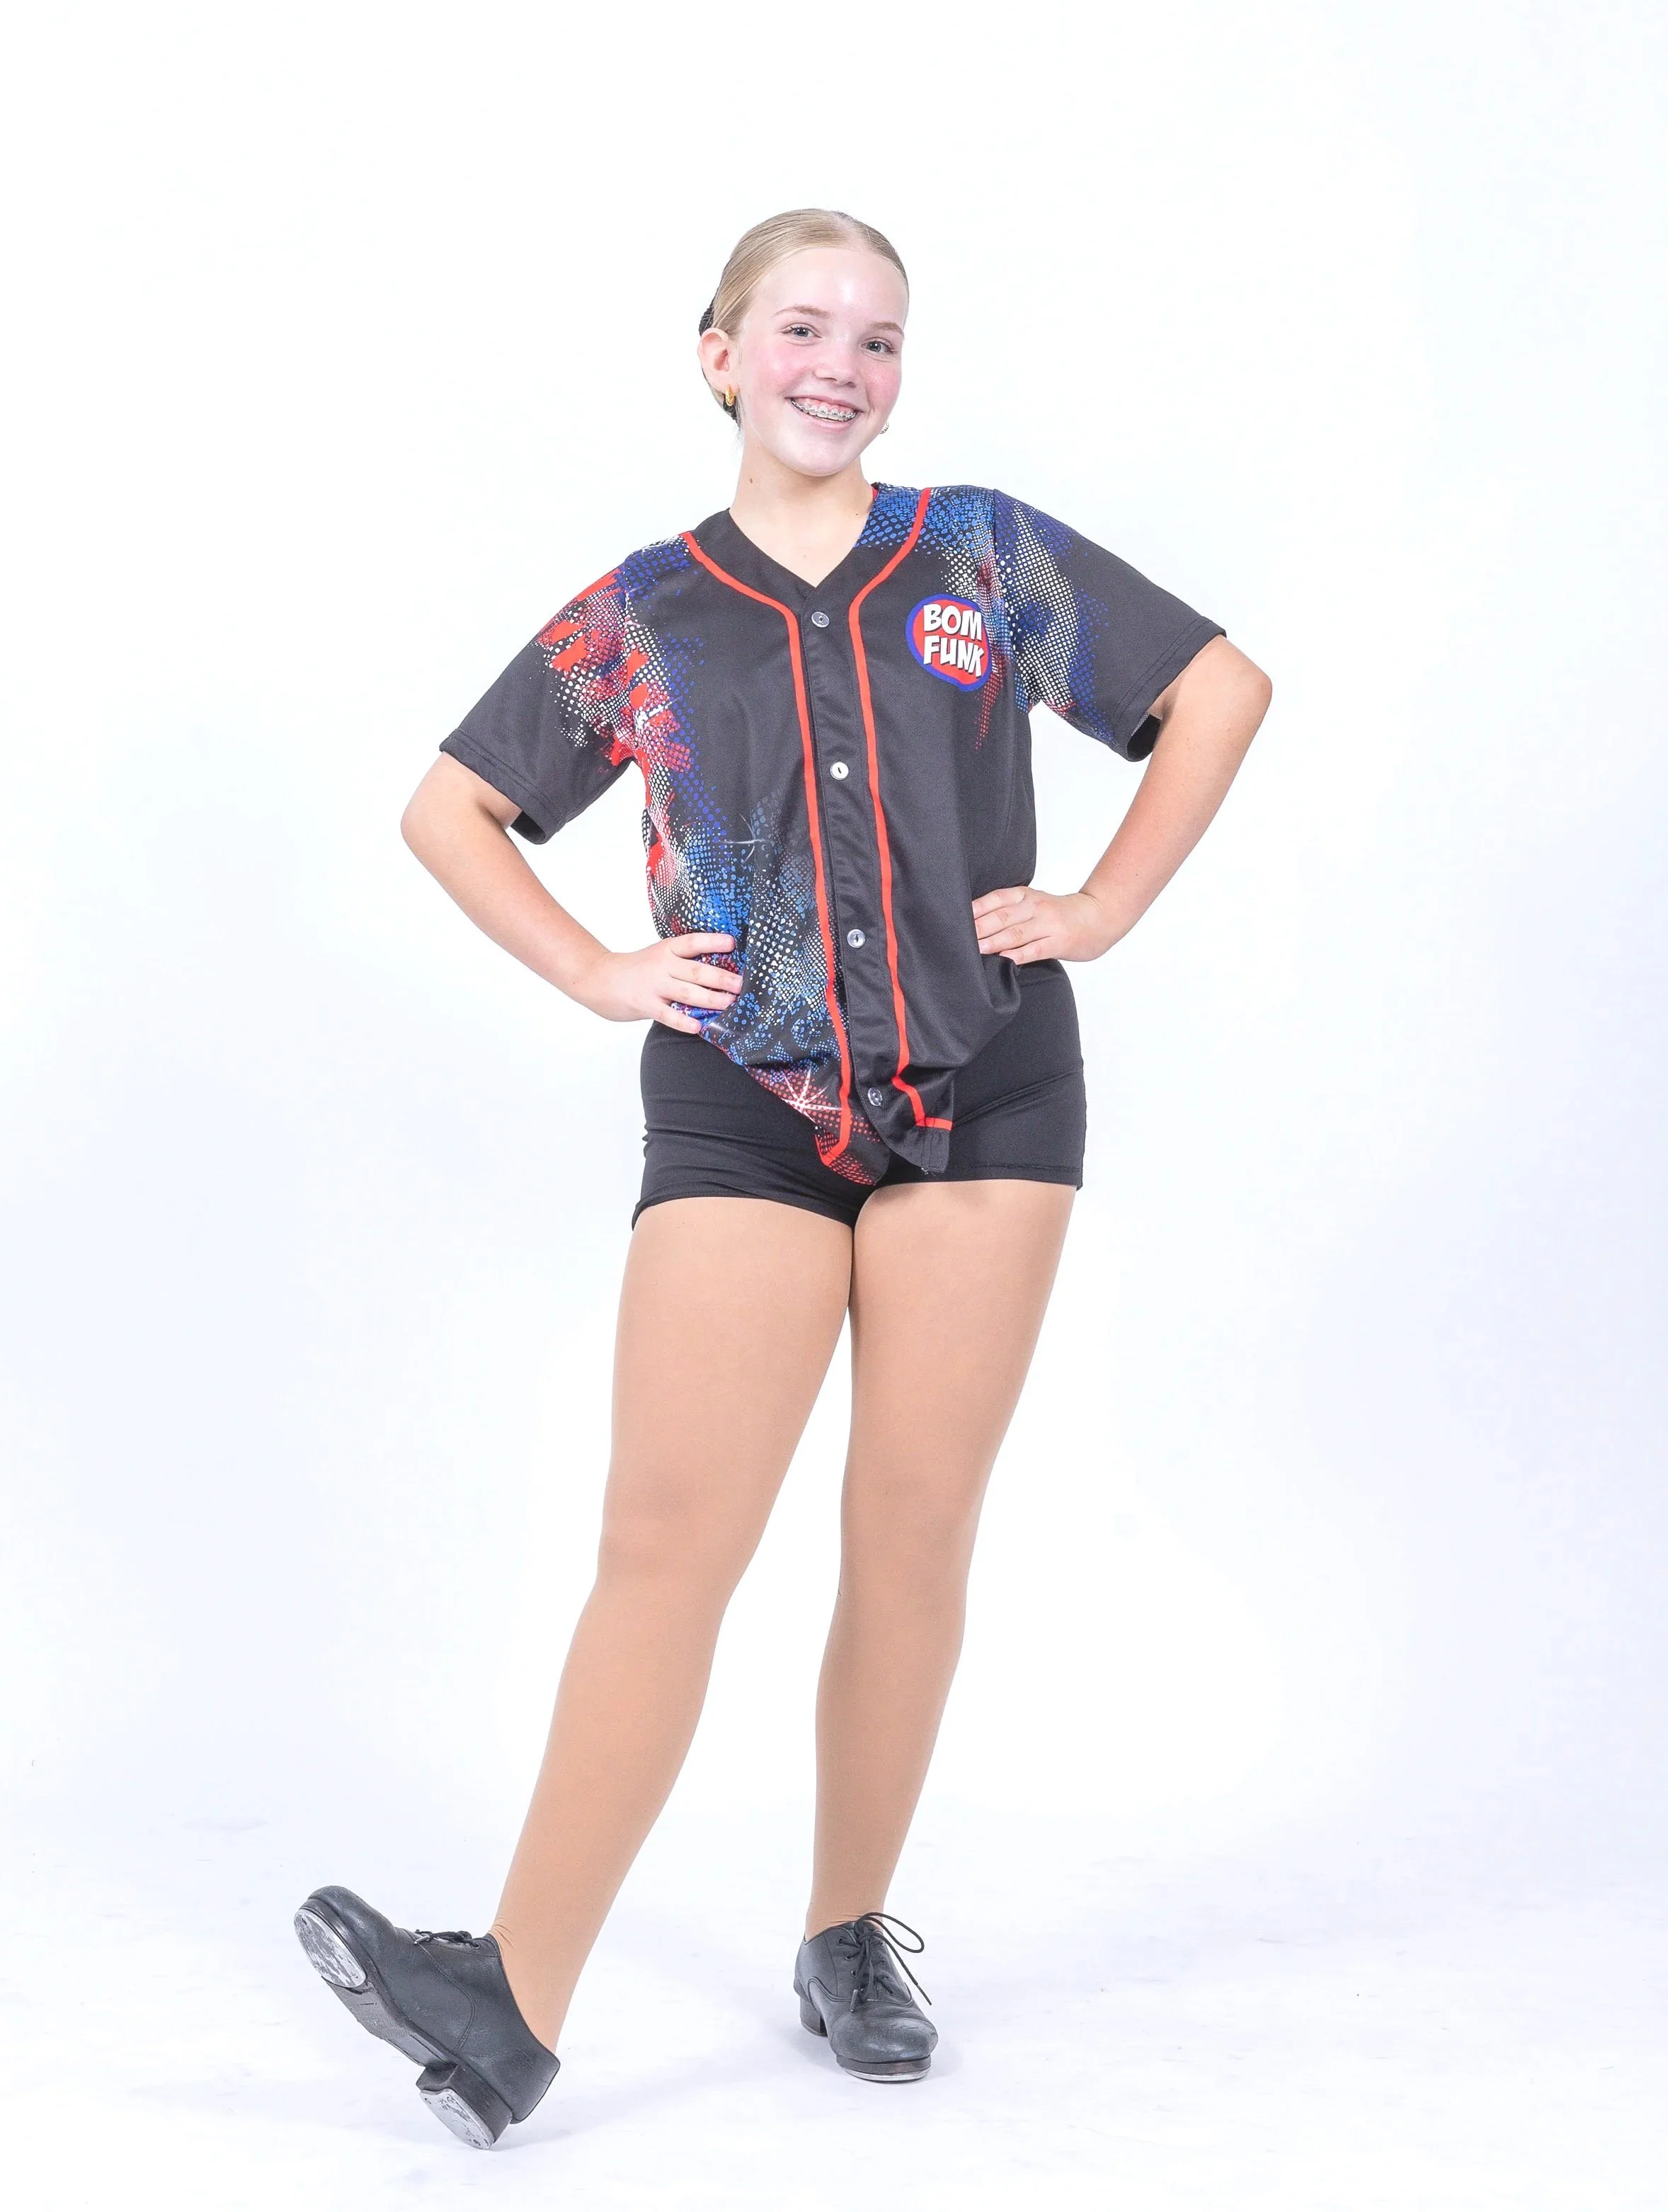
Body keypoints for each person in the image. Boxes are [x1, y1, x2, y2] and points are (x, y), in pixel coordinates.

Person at [294, 206, 1272, 2150]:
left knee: (910, 1526)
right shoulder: (648, 612)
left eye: (877, 339)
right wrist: (593, 966)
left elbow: (1221, 690)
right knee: (666, 1538)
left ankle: (848, 1931)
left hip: (985, 1086)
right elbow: (451, 805)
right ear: (720, 355)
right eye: (804, 328)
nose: (841, 366)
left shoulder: (982, 555)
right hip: (740, 1095)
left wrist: (1098, 906)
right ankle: (509, 2001)